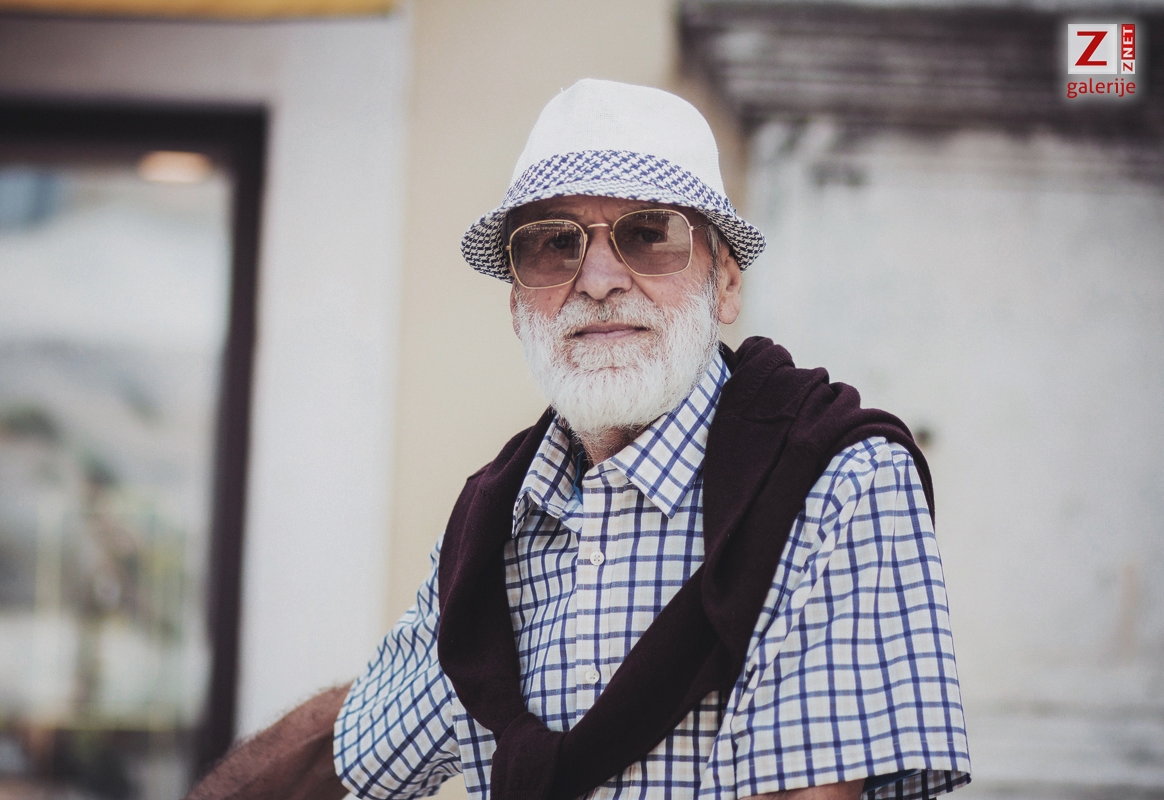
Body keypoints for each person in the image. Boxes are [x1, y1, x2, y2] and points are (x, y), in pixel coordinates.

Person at [187, 79, 970, 800]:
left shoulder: (837, 483)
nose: (597, 279)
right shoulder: (493, 530)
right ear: (516, 304)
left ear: (726, 281)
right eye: (554, 245)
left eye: (650, 233)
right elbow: (344, 750)